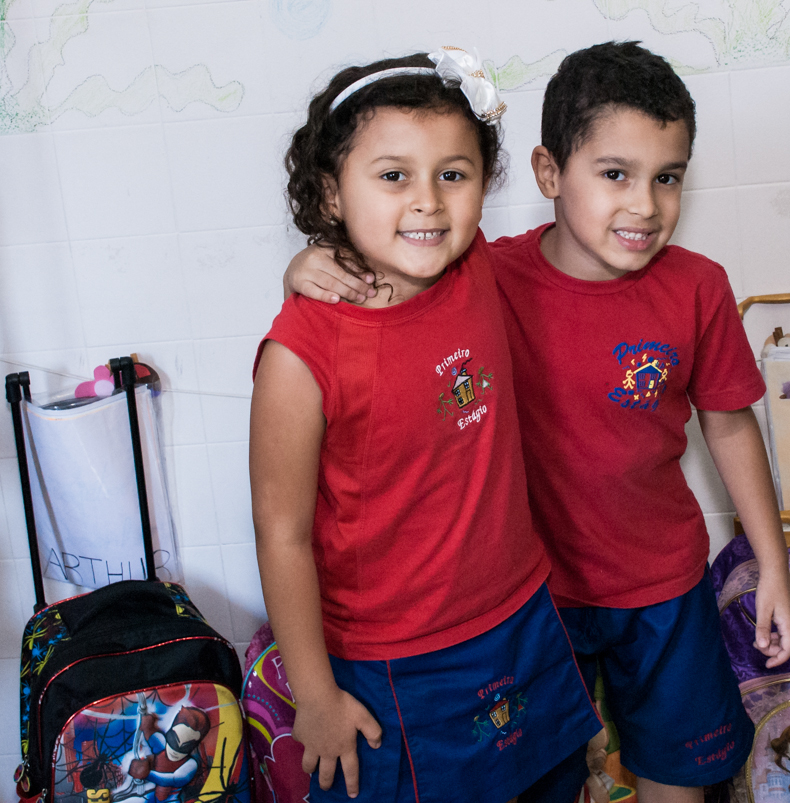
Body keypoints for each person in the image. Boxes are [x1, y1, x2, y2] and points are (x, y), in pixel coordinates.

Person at [283, 41, 790, 803]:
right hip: (535, 605)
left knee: (677, 778)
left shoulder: (698, 288)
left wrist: (772, 564)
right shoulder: (485, 275)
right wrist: (306, 265)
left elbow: (729, 425)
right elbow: (395, 255)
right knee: (556, 777)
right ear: (549, 173)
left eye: (667, 179)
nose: (644, 205)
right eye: (616, 174)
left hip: (661, 587)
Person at [250, 48, 602, 803]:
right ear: (329, 192)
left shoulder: (475, 266)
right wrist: (313, 696)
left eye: (453, 173)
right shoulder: (299, 354)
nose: (428, 202)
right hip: (390, 663)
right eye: (392, 175)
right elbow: (281, 534)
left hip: (519, 617)